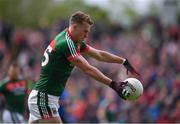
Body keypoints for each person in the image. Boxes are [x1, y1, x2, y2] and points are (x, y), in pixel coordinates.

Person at [28, 11, 140, 123]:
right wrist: (113, 84)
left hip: (43, 97)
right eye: (85, 31)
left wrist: (123, 61)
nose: (86, 35)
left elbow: (98, 55)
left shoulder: (72, 39)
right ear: (75, 27)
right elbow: (87, 69)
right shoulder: (67, 43)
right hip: (44, 98)